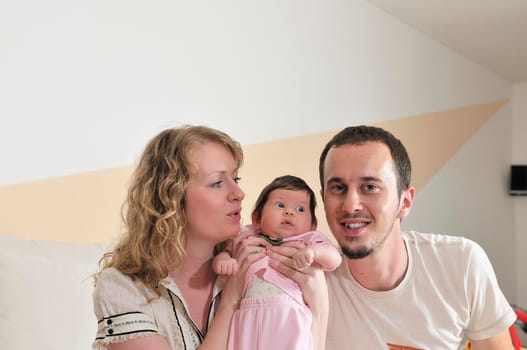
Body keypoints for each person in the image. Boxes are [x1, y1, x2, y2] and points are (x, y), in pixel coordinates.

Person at [91, 125, 328, 350]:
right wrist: (230, 303)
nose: (238, 193)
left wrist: (319, 310)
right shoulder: (122, 288)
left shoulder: (257, 270)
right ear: (171, 199)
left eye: (235, 179)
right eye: (217, 183)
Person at [317, 125, 517, 349]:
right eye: (338, 188)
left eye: (370, 187)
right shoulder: (307, 280)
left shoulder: (461, 262)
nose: (351, 204)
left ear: (405, 202)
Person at [212, 175, 342, 350]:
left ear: (313, 224)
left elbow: (334, 258)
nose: (290, 212)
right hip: (248, 316)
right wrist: (224, 259)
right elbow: (228, 251)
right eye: (280, 205)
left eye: (300, 209)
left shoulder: (308, 240)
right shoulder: (248, 235)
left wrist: (313, 252)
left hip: (288, 315)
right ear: (257, 218)